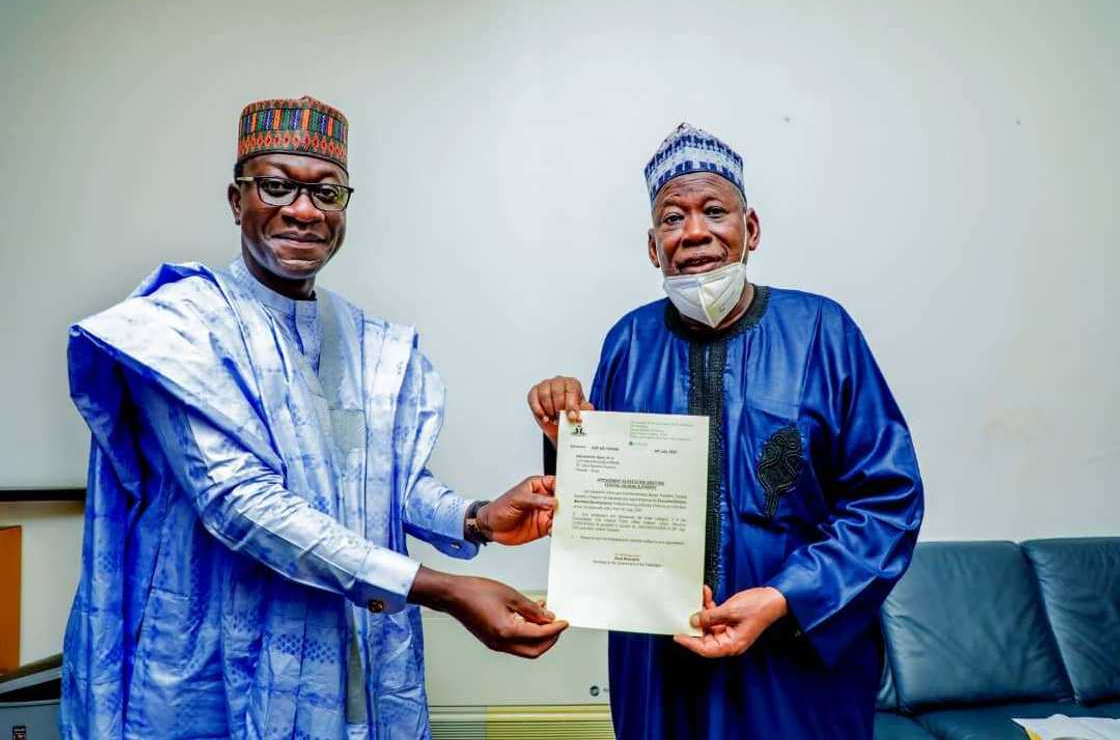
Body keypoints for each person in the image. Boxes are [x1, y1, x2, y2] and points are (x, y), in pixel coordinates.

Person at [61, 96, 566, 740]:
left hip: (342, 647)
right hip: (213, 658)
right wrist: (442, 589)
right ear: (235, 198)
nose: (303, 211)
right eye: (276, 186)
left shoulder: (364, 339)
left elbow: (381, 480)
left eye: (326, 193)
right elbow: (241, 503)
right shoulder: (181, 329)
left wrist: (476, 518)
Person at [527, 123, 923, 739]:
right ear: (652, 245)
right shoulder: (629, 342)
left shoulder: (822, 331)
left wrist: (784, 597)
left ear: (752, 229)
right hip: (660, 659)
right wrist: (563, 434)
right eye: (671, 217)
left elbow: (887, 501)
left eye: (715, 210)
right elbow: (600, 508)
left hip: (792, 662)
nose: (694, 232)